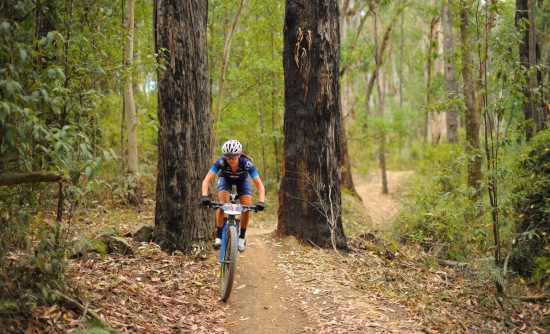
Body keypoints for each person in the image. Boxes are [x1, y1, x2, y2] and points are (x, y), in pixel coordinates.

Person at [201, 139, 265, 252]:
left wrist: (261, 202)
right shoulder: (221, 162)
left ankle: (241, 238)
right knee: (222, 205)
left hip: (242, 181)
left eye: (233, 157)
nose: (230, 159)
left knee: (246, 207)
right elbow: (206, 180)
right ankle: (219, 236)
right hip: (225, 179)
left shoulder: (247, 164)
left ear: (239, 155)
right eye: (228, 156)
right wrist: (204, 196)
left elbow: (259, 184)